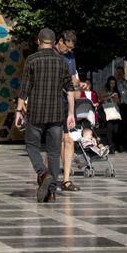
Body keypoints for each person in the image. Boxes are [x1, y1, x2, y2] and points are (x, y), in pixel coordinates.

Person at [16, 29, 74, 202]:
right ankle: (52, 191)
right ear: (54, 41)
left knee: (32, 146)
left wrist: (19, 111)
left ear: (38, 41)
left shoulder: (32, 60)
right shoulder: (62, 62)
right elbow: (70, 89)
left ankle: (43, 173)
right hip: (56, 113)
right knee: (54, 153)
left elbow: (24, 88)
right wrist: (71, 113)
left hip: (36, 112)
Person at [54, 31, 80, 190]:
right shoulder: (51, 54)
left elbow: (73, 78)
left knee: (69, 139)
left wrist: (77, 83)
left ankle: (66, 180)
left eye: (72, 48)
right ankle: (45, 173)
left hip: (67, 103)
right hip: (53, 103)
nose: (69, 51)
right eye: (67, 47)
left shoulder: (71, 57)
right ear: (61, 41)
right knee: (55, 142)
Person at [101, 75, 127, 151]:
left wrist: (117, 98)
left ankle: (114, 144)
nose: (112, 85)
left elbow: (119, 102)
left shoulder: (117, 91)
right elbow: (101, 99)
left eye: (114, 83)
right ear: (108, 83)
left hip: (115, 112)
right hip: (107, 112)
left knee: (116, 129)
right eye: (111, 83)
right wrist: (110, 96)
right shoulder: (104, 90)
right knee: (109, 128)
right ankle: (110, 146)